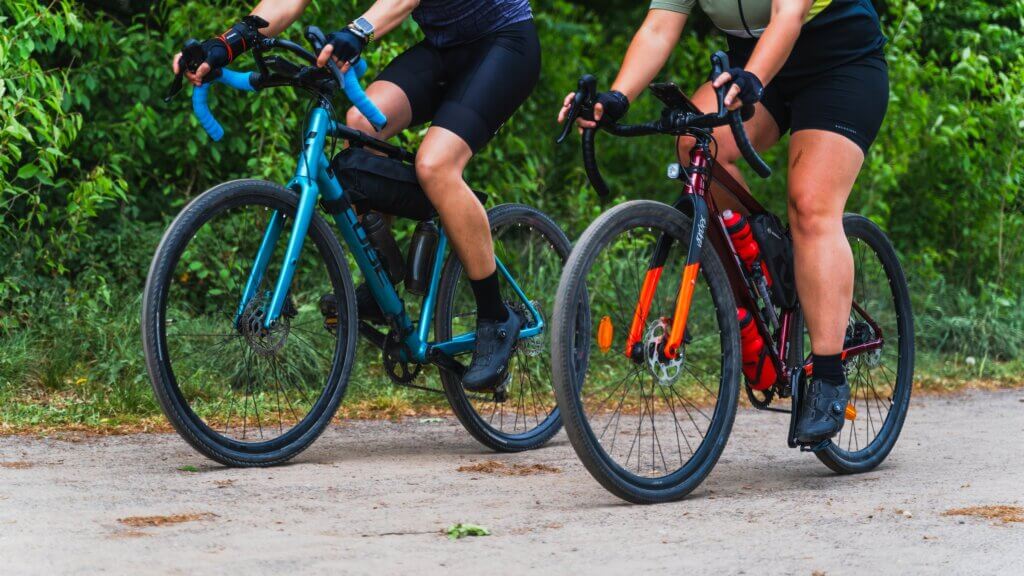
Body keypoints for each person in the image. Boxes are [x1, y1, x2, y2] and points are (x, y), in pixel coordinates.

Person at [558, 0, 888, 443]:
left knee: (810, 205)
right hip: (750, 68)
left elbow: (788, 17)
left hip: (839, 66)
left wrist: (752, 77)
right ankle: (762, 269)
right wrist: (616, 99)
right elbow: (659, 27)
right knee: (696, 146)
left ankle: (828, 376)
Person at [173, 0, 541, 391]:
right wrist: (227, 44)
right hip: (444, 49)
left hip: (505, 44)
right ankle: (388, 270)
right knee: (361, 124)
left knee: (435, 165)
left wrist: (359, 31)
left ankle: (496, 317)